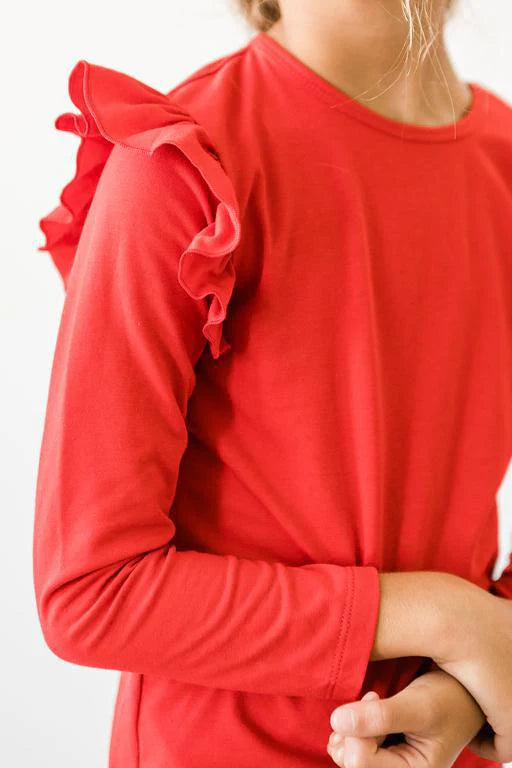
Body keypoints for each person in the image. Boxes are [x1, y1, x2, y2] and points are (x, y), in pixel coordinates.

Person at [33, 1, 512, 767]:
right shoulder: (185, 165)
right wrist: (445, 619)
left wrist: (471, 680)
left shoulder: (503, 161)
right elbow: (92, 592)